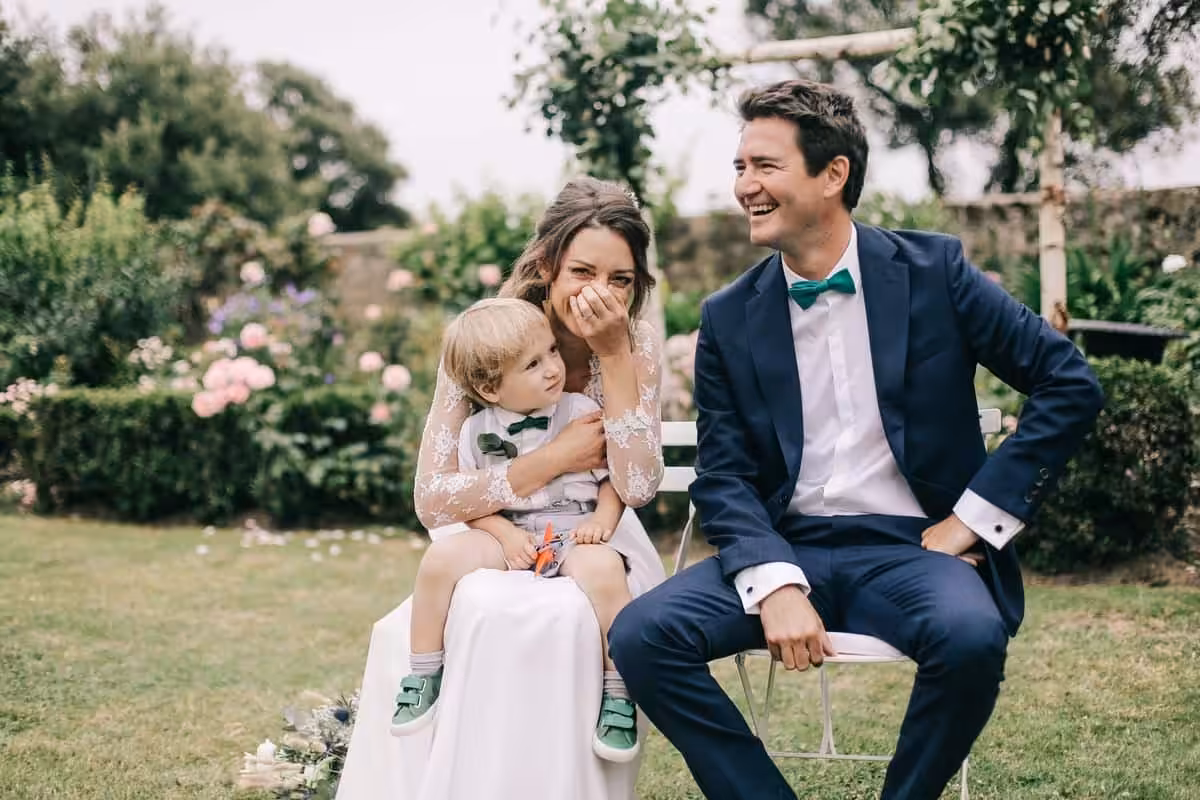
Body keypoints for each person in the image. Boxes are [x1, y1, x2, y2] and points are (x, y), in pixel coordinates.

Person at [608, 79, 1105, 800]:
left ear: (833, 174)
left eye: (764, 166)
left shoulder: (936, 273)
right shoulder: (728, 317)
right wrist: (773, 581)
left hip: (911, 548)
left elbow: (1069, 383)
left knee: (971, 637)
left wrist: (973, 521)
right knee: (642, 636)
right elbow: (723, 475)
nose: (744, 185)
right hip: (786, 544)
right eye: (740, 167)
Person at [336, 177, 666, 800]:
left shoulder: (635, 342)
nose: (601, 292)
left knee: (573, 612)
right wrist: (550, 459)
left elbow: (640, 486)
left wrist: (615, 357)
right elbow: (433, 497)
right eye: (583, 271)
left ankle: (590, 746)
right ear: (547, 266)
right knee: (485, 607)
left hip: (595, 529)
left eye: (620, 279)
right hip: (501, 528)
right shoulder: (486, 340)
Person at [389, 297, 640, 763]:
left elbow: (613, 481)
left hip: (573, 526)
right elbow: (470, 502)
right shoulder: (474, 430)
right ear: (489, 387)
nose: (552, 368)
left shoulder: (581, 409)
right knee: (439, 560)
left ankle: (619, 693)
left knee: (606, 573)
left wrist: (601, 522)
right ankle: (423, 671)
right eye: (532, 364)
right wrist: (504, 536)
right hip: (509, 531)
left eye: (550, 351)